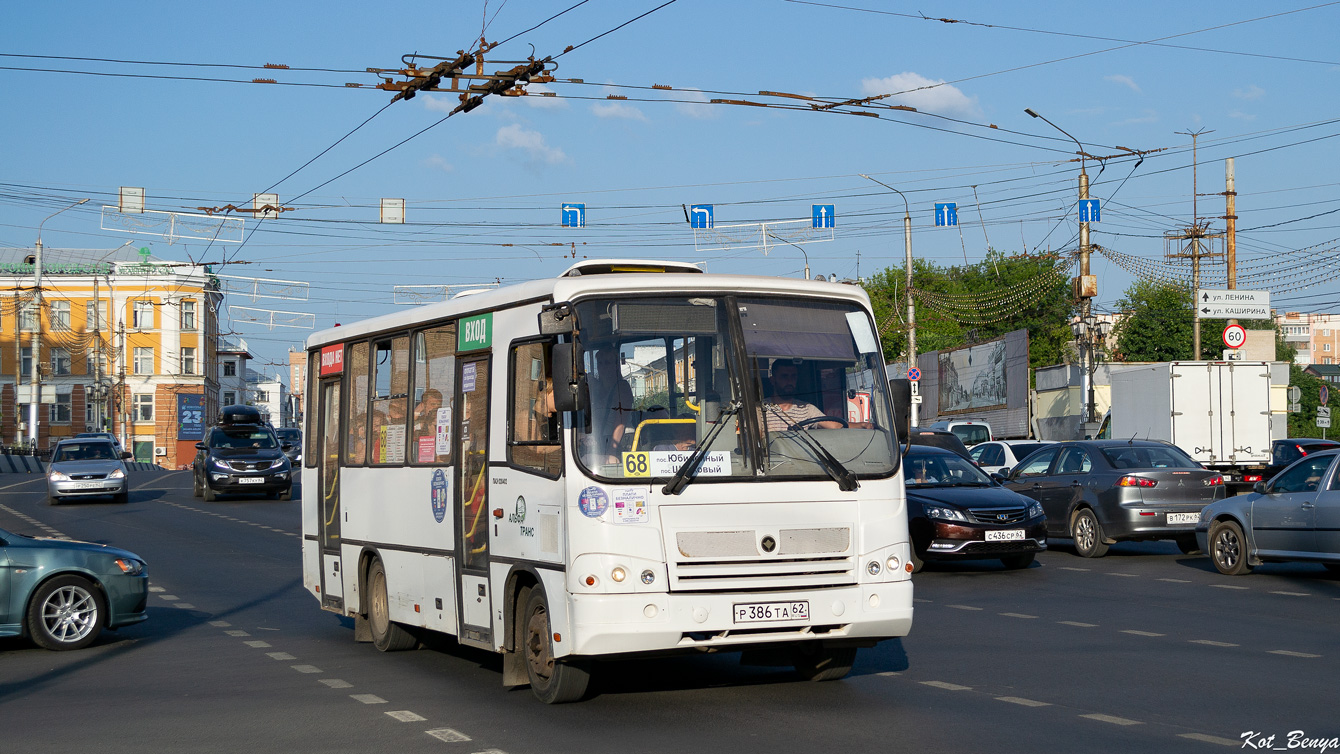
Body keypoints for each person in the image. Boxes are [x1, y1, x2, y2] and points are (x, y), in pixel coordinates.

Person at [583, 344, 635, 464]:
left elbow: (620, 422)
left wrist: (612, 451)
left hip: (620, 441)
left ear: (616, 365)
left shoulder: (622, 388)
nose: (603, 367)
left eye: (607, 363)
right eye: (600, 363)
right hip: (602, 440)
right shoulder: (597, 388)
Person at [764, 360, 842, 431]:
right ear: (773, 380)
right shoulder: (761, 409)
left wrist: (854, 428)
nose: (790, 381)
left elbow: (835, 426)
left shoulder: (806, 409)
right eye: (784, 376)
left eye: (793, 376)